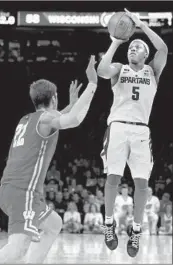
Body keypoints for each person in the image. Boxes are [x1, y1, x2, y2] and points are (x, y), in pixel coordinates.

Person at [0, 55, 98, 264]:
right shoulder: (44, 120)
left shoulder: (27, 119)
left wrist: (72, 104)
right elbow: (74, 120)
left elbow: (58, 118)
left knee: (53, 224)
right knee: (16, 250)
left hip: (14, 190)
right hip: (22, 192)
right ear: (53, 99)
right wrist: (93, 84)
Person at [98, 8, 168, 257]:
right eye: (131, 47)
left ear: (146, 54)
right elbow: (101, 71)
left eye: (137, 47)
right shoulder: (119, 68)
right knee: (112, 179)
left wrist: (141, 25)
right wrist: (116, 42)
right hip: (117, 126)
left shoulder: (152, 71)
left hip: (140, 130)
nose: (133, 49)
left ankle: (136, 230)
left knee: (142, 183)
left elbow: (164, 50)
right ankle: (109, 224)